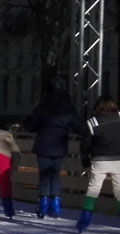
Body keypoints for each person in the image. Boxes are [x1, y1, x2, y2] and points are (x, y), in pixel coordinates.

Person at [76, 95, 120, 234]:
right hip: (119, 160)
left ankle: (84, 220)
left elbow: (85, 144)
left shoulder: (93, 123)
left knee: (93, 189)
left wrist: (85, 158)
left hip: (100, 160)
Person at [24, 75, 85, 218]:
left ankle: (43, 205)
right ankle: (55, 205)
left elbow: (32, 125)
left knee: (44, 175)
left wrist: (26, 122)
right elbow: (78, 126)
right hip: (59, 145)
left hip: (43, 145)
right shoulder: (68, 108)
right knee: (55, 174)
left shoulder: (43, 105)